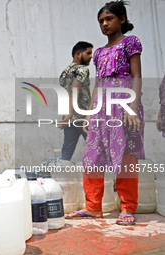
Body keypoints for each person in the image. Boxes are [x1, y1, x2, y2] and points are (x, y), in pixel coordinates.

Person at [66, 0, 144, 225]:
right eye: (101, 21)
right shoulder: (99, 53)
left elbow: (137, 76)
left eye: (109, 19)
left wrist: (131, 108)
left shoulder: (131, 42)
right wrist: (89, 114)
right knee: (92, 157)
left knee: (126, 158)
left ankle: (128, 208)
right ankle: (93, 207)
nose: (104, 23)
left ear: (121, 19)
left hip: (124, 106)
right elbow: (99, 84)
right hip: (101, 110)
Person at [58, 41, 93, 161]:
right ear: (78, 54)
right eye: (88, 53)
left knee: (67, 151)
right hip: (83, 118)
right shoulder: (82, 69)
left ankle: (61, 177)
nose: (91, 56)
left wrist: (68, 115)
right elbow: (75, 89)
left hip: (69, 120)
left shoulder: (64, 72)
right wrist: (71, 113)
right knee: (97, 147)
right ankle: (107, 178)